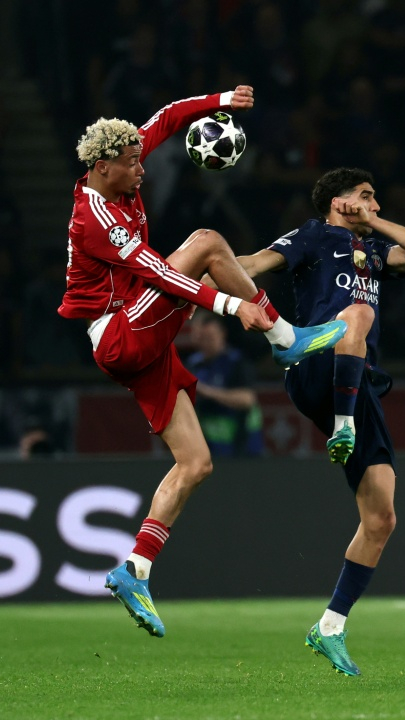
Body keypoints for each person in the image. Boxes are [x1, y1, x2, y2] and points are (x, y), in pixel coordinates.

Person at [57, 85, 348, 638]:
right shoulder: (94, 217)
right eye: (130, 164)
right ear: (101, 169)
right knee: (208, 244)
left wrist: (219, 100)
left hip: (140, 344)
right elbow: (162, 274)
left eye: (139, 158)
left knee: (195, 462)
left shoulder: (121, 162)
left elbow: (165, 117)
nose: (141, 168)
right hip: (118, 335)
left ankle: (135, 568)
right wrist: (234, 306)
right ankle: (283, 335)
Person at [234, 167, 405, 675]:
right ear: (337, 202)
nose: (374, 202)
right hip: (312, 364)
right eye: (365, 195)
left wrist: (374, 219)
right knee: (359, 317)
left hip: (357, 379)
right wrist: (202, 278)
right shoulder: (313, 234)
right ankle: (343, 425)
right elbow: (254, 262)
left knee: (382, 517)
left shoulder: (372, 252)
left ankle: (329, 626)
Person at [186, 311, 264, 457]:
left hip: (243, 446)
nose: (204, 343)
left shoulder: (237, 362)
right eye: (200, 337)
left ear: (222, 334)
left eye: (210, 337)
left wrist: (206, 391)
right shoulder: (192, 365)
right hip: (209, 449)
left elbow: (247, 399)